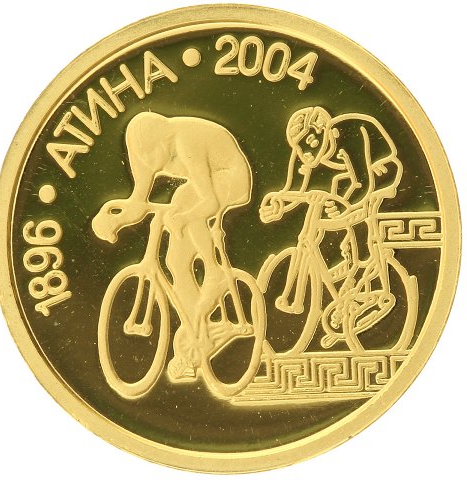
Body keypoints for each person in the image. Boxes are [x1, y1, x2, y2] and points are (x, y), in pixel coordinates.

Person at [92, 111, 253, 381]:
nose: (148, 162)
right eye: (142, 156)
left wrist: (184, 217)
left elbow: (210, 202)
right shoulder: (143, 151)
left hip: (232, 178)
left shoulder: (186, 143)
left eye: (151, 153)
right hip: (201, 190)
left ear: (163, 141)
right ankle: (198, 333)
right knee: (175, 263)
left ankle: (213, 271)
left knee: (185, 199)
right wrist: (114, 218)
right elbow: (138, 204)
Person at [260, 106, 403, 348]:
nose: (306, 152)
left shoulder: (348, 136)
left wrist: (345, 205)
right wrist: (278, 204)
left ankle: (366, 265)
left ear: (324, 130)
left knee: (357, 211)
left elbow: (363, 183)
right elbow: (294, 189)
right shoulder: (304, 151)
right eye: (300, 147)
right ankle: (349, 260)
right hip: (349, 177)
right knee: (330, 199)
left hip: (380, 169)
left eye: (310, 142)